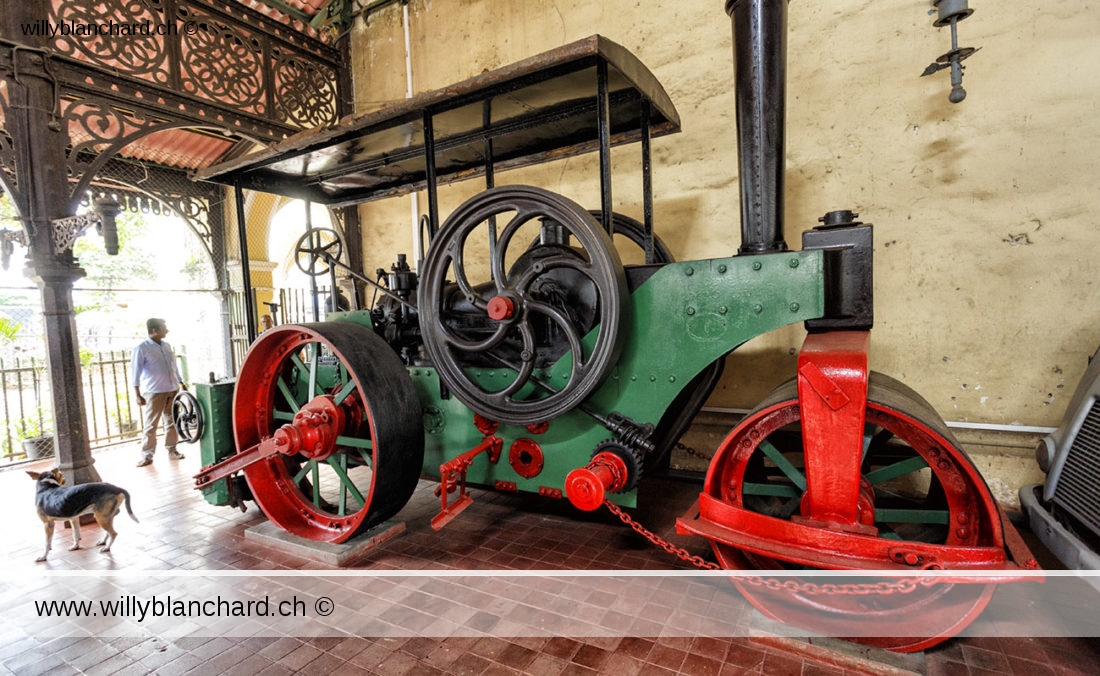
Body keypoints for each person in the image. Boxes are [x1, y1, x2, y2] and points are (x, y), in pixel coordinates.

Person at [131, 318, 188, 467]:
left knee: (172, 422)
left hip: (172, 389)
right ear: (154, 331)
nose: (166, 330)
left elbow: (173, 366)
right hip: (154, 391)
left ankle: (172, 449)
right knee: (151, 425)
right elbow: (135, 372)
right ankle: (147, 455)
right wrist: (137, 393)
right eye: (164, 328)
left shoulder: (167, 346)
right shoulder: (141, 348)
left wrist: (180, 382)